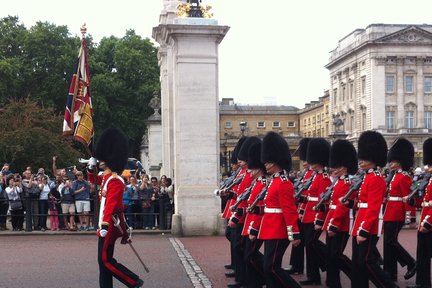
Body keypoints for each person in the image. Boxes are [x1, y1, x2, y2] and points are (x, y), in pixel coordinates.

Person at [95, 127, 144, 288]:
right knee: (103, 263)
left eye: (102, 159)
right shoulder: (107, 178)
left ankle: (133, 281)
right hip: (106, 224)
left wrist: (105, 224)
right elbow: (96, 180)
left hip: (108, 225)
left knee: (104, 260)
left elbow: (111, 204)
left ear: (110, 159)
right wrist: (89, 168)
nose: (100, 161)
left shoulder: (115, 180)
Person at [349, 131, 398, 288]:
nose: (361, 161)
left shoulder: (376, 178)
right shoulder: (367, 176)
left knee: (366, 261)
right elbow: (362, 202)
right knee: (357, 261)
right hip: (360, 222)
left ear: (374, 158)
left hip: (369, 225)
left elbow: (374, 206)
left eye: (364, 158)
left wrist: (364, 229)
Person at [257, 131, 301, 288]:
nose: (266, 165)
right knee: (268, 268)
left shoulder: (284, 182)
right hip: (270, 228)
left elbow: (289, 210)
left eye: (268, 162)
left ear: (276, 162)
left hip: (279, 230)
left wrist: (294, 233)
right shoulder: (274, 181)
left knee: (272, 268)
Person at [323, 139, 357, 288]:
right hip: (333, 221)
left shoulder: (346, 184)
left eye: (336, 167)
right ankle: (333, 282)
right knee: (330, 256)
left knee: (336, 255)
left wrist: (334, 225)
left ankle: (356, 275)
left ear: (344, 167)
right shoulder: (338, 182)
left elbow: (342, 207)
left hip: (341, 224)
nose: (333, 169)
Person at [228, 136, 260, 288]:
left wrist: (237, 216)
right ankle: (244, 278)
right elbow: (241, 196)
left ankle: (247, 279)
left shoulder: (250, 176)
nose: (238, 162)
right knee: (241, 249)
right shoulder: (244, 175)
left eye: (241, 159)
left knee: (245, 251)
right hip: (242, 217)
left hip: (247, 219)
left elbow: (251, 202)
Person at [383, 138, 416, 281]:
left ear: (400, 161)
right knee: (388, 244)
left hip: (397, 213)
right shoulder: (394, 176)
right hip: (389, 212)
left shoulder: (404, 177)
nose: (390, 163)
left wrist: (411, 218)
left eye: (393, 161)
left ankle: (411, 263)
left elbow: (408, 199)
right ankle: (390, 273)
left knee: (391, 241)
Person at [299, 138, 331, 285]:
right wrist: (301, 209)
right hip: (308, 214)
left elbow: (323, 200)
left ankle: (329, 262)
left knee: (312, 244)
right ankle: (313, 276)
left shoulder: (324, 177)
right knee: (309, 246)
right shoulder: (314, 176)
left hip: (315, 215)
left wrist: (319, 220)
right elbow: (310, 197)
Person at [406, 138, 432, 288]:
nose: (427, 168)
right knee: (422, 255)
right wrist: (412, 200)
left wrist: (428, 222)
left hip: (429, 223)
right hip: (425, 221)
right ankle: (422, 283)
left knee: (426, 254)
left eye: (429, 165)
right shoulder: (429, 180)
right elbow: (424, 202)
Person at [242, 140, 267, 288]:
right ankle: (256, 282)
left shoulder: (263, 184)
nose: (250, 170)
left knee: (249, 257)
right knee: (248, 257)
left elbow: (260, 209)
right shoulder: (257, 183)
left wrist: (253, 229)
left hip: (257, 225)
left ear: (258, 168)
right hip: (250, 223)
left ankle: (263, 279)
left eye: (252, 168)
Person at [287, 137, 311, 275]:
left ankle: (308, 269)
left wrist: (301, 202)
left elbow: (316, 198)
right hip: (301, 211)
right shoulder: (305, 174)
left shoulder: (314, 175)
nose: (304, 162)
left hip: (309, 212)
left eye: (307, 160)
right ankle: (296, 265)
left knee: (308, 243)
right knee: (297, 240)